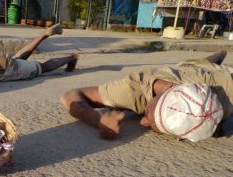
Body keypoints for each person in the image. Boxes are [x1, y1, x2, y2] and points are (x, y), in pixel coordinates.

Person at [60, 51, 233, 142]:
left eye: (150, 125)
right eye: (148, 115)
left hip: (213, 77)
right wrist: (95, 119)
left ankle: (210, 61)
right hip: (186, 73)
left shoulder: (227, 92)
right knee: (192, 66)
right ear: (163, 92)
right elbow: (69, 96)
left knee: (203, 67)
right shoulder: (134, 89)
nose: (142, 122)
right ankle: (209, 60)